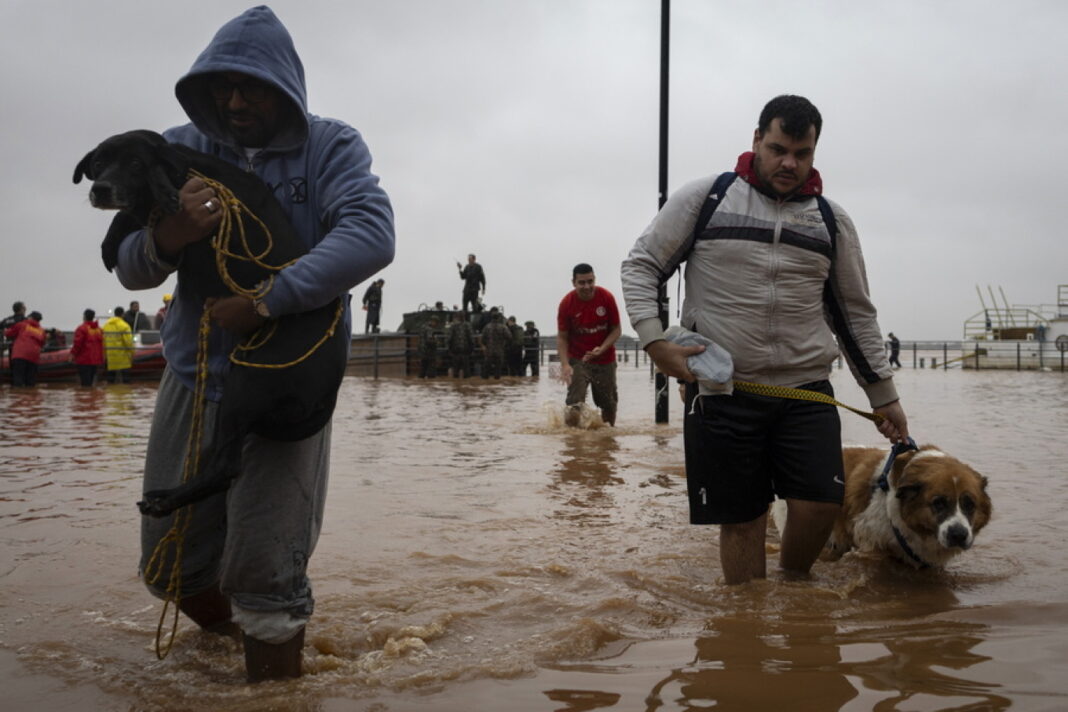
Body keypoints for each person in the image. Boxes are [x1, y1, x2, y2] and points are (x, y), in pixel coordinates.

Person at [110, 6, 394, 681]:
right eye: (222, 87)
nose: (235, 101)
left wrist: (267, 297)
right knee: (168, 564)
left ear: (285, 88)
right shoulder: (176, 149)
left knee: (267, 571)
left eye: (252, 87)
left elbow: (371, 235)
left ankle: (274, 676)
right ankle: (230, 648)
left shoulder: (331, 147)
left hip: (286, 382)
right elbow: (126, 260)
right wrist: (168, 237)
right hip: (193, 377)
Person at [620, 94, 908, 585]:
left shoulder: (832, 222)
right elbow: (642, 265)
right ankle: (746, 620)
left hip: (805, 388)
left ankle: (794, 588)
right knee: (743, 519)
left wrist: (885, 398)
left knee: (821, 502)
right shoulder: (706, 198)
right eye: (778, 149)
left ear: (815, 152)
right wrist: (654, 343)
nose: (788, 163)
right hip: (724, 392)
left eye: (802, 153)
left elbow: (855, 315)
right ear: (756, 139)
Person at [556, 264, 621, 426]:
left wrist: (602, 348)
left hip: (605, 359)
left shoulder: (606, 297)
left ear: (595, 280)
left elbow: (616, 329)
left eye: (590, 281)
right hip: (579, 359)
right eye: (582, 283)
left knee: (608, 403)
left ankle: (607, 439)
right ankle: (572, 441)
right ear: (574, 283)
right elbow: (562, 337)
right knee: (574, 402)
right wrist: (564, 365)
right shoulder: (567, 303)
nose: (587, 286)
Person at [4, 310, 45, 387]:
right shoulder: (41, 330)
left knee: (18, 380)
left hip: (20, 354)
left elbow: (8, 333)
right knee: (30, 382)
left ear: (30, 317)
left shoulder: (22, 325)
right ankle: (31, 397)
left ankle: (19, 396)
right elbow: (42, 343)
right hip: (34, 357)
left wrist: (5, 331)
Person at [71, 308, 105, 386]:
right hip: (95, 360)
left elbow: (77, 344)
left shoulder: (81, 328)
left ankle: (86, 397)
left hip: (84, 360)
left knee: (85, 384)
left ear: (84, 317)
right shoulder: (99, 329)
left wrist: (72, 354)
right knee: (91, 382)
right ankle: (91, 396)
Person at [102, 307, 134, 383]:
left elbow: (103, 340)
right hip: (123, 357)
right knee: (126, 381)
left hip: (110, 357)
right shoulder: (125, 326)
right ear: (123, 314)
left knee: (110, 381)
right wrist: (132, 353)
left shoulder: (106, 325)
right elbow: (128, 342)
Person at [479, 312, 510, 379]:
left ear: (491, 318)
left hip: (489, 351)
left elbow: (483, 338)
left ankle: (485, 384)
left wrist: (486, 344)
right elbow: (509, 336)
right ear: (498, 318)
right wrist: (504, 342)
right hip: (499, 351)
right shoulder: (503, 327)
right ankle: (496, 384)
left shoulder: (487, 327)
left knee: (486, 369)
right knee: (498, 369)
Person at [446, 311, 474, 378]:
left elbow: (449, 338)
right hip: (465, 350)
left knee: (456, 370)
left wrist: (448, 349)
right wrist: (472, 348)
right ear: (464, 316)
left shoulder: (453, 326)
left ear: (457, 317)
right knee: (466, 371)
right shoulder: (467, 325)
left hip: (456, 350)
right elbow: (471, 338)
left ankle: (456, 385)